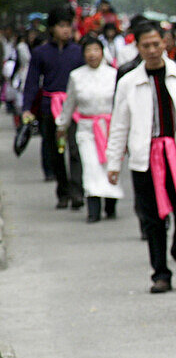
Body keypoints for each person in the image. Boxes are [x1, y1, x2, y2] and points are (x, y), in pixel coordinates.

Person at [106, 21, 176, 294]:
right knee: (152, 219)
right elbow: (119, 124)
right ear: (137, 47)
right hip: (145, 158)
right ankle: (160, 273)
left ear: (165, 43)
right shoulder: (128, 81)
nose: (151, 50)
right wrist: (114, 163)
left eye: (155, 44)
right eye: (145, 45)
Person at [22, 5, 85, 207]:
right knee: (55, 151)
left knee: (75, 150)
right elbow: (32, 82)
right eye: (61, 26)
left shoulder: (78, 51)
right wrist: (26, 108)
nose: (66, 30)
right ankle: (63, 191)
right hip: (50, 106)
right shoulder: (41, 53)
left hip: (74, 107)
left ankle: (77, 192)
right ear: (52, 28)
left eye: (68, 26)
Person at [56, 35, 122, 222]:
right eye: (88, 51)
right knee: (91, 167)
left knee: (110, 165)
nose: (92, 54)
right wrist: (62, 125)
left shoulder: (113, 75)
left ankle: (111, 204)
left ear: (102, 53)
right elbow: (69, 103)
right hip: (87, 129)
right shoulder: (76, 76)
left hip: (109, 128)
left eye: (96, 50)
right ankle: (93, 209)